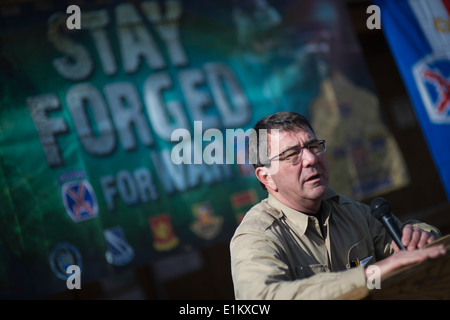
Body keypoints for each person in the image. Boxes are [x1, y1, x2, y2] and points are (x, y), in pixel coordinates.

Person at [229, 111, 446, 299]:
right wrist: (368, 275)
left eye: (313, 146)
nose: (311, 159)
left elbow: (403, 249)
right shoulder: (256, 236)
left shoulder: (351, 211)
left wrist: (420, 235)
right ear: (266, 177)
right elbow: (262, 297)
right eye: (292, 154)